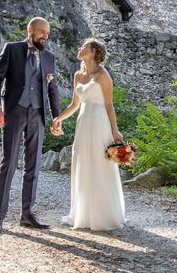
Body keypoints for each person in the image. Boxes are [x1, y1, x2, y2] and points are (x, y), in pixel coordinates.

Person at [0, 17, 61, 234]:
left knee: (34, 165)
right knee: (9, 162)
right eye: (41, 32)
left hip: (37, 114)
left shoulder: (49, 57)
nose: (45, 36)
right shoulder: (12, 49)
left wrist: (56, 117)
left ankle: (27, 214)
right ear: (30, 30)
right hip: (14, 111)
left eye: (47, 34)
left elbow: (52, 89)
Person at [51, 37, 126, 231]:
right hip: (83, 123)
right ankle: (83, 213)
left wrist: (115, 130)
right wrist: (59, 118)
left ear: (93, 51)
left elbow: (109, 105)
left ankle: (104, 215)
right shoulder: (77, 75)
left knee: (100, 165)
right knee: (82, 163)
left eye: (84, 46)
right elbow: (75, 105)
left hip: (100, 123)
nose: (79, 48)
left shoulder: (103, 75)